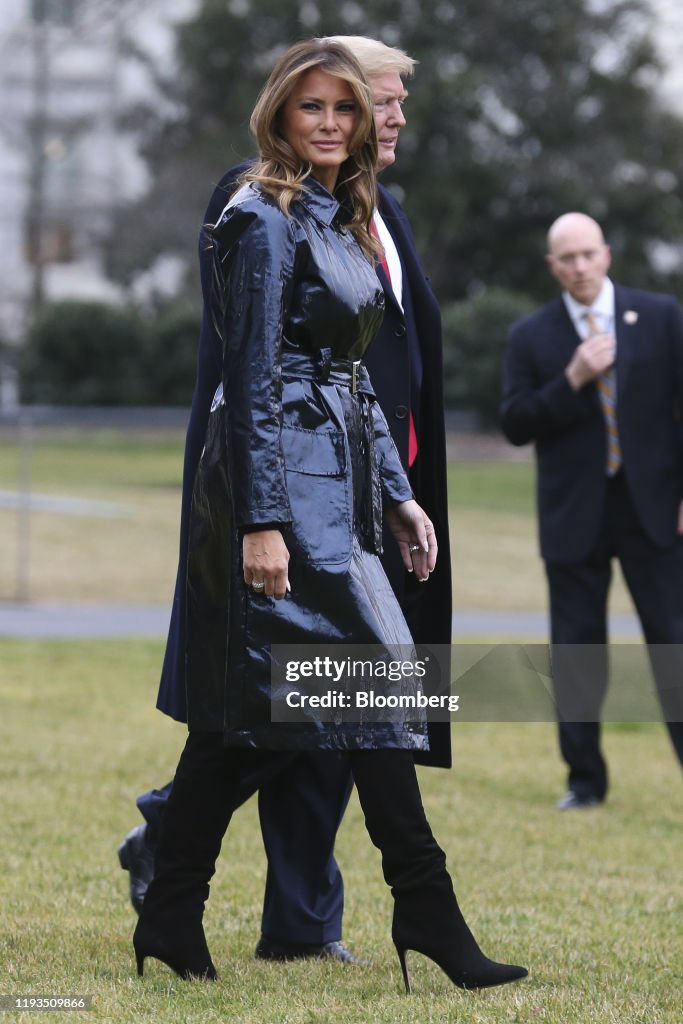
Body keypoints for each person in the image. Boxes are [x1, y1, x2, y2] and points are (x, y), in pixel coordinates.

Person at [132, 39, 527, 993]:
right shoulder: (258, 217)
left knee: (249, 722)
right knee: (378, 680)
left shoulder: (341, 214)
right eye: (313, 108)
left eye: (345, 111)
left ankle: (170, 908)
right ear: (279, 113)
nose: (332, 124)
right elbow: (252, 377)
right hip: (279, 484)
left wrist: (397, 497)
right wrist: (261, 522)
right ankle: (427, 909)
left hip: (337, 481)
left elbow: (349, 375)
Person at [501, 211, 683, 809]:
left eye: (588, 254)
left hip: (655, 512)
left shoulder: (660, 317)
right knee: (577, 653)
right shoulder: (532, 337)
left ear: (606, 254)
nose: (579, 266)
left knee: (673, 644)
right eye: (566, 258)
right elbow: (517, 424)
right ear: (553, 267)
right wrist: (572, 378)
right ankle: (584, 782)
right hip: (573, 517)